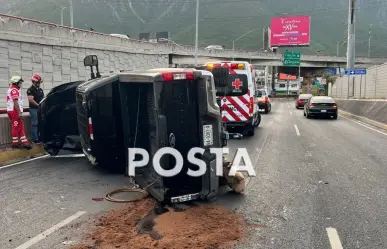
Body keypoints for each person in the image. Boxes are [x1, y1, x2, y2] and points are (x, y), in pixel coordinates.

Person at [6, 76, 32, 150]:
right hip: (14, 111)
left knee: (20, 127)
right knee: (16, 127)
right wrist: (19, 113)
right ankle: (15, 143)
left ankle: (24, 143)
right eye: (20, 83)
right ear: (16, 83)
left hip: (13, 110)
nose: (21, 84)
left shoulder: (12, 89)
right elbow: (15, 103)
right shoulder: (14, 90)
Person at [27, 74, 44, 144]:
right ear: (34, 82)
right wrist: (38, 105)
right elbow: (31, 100)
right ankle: (35, 139)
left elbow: (43, 98)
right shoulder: (30, 90)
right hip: (33, 109)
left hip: (40, 109)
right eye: (38, 82)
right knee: (35, 123)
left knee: (40, 123)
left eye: (39, 82)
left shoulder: (40, 90)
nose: (39, 83)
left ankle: (40, 137)